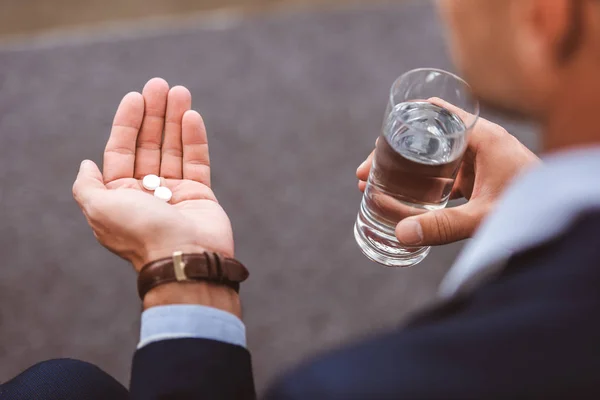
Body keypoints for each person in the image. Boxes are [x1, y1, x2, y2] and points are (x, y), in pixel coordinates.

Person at [3, 0, 600, 398]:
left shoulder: (360, 385)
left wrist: (185, 274)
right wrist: (555, 209)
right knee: (63, 385)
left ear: (545, 18)